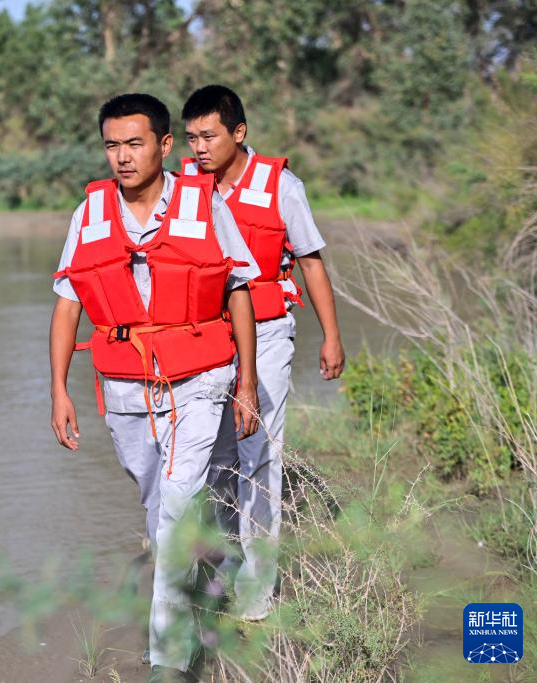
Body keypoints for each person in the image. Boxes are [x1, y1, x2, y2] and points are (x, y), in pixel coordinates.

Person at [49, 92, 260, 681]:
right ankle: (208, 571)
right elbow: (67, 307)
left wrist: (246, 379)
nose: (122, 156)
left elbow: (239, 287)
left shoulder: (205, 203)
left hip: (200, 379)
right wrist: (58, 390)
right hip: (124, 388)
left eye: (134, 143)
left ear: (164, 146)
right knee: (156, 506)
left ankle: (168, 660)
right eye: (112, 145)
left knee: (171, 510)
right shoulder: (88, 214)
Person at [180, 85, 346, 621]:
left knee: (259, 457)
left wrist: (332, 335)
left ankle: (256, 591)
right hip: (206, 337)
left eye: (209, 135)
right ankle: (219, 565)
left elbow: (312, 261)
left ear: (239, 133)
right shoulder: (185, 189)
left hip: (269, 331)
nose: (200, 147)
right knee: (213, 456)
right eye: (191, 138)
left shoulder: (282, 187)